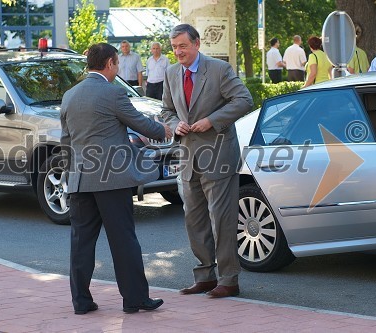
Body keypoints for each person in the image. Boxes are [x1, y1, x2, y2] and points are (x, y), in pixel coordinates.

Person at [60, 42, 172, 315]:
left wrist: (72, 173)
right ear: (110, 63)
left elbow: (66, 142)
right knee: (123, 241)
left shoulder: (69, 96)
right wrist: (166, 130)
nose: (118, 68)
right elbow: (141, 123)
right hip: (112, 180)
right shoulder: (114, 93)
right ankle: (134, 299)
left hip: (79, 180)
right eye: (117, 64)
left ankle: (81, 302)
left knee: (81, 243)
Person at [161, 24, 253, 298]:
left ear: (197, 44)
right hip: (188, 157)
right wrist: (175, 123)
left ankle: (228, 279)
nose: (178, 52)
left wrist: (212, 121)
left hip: (219, 156)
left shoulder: (218, 70)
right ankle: (205, 276)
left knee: (222, 220)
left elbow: (244, 99)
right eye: (174, 47)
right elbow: (166, 110)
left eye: (183, 46)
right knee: (195, 219)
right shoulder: (170, 73)